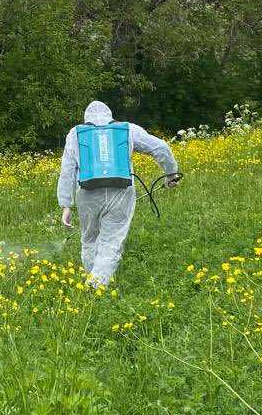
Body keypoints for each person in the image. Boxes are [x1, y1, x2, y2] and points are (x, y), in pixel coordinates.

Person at [57, 100, 180, 286]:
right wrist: (171, 174)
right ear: (110, 115)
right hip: (121, 191)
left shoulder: (76, 133)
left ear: (86, 118)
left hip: (88, 193)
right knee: (111, 241)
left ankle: (93, 280)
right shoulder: (127, 129)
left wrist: (66, 204)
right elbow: (160, 147)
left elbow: (67, 170)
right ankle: (96, 286)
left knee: (90, 239)